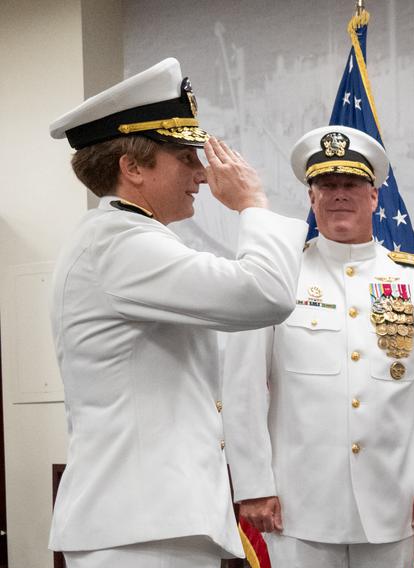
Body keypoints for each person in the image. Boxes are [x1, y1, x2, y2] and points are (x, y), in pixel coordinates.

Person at [47, 58, 308, 567]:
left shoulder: (127, 240)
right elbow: (266, 293)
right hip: (138, 530)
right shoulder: (121, 246)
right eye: (185, 156)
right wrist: (253, 203)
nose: (202, 173)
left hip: (148, 522)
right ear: (134, 167)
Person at [223, 125, 414, 567]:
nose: (338, 195)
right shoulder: (278, 277)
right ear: (311, 198)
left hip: (392, 500)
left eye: (350, 184)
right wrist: (254, 484)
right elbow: (243, 386)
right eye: (326, 186)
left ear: (374, 197)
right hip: (298, 504)